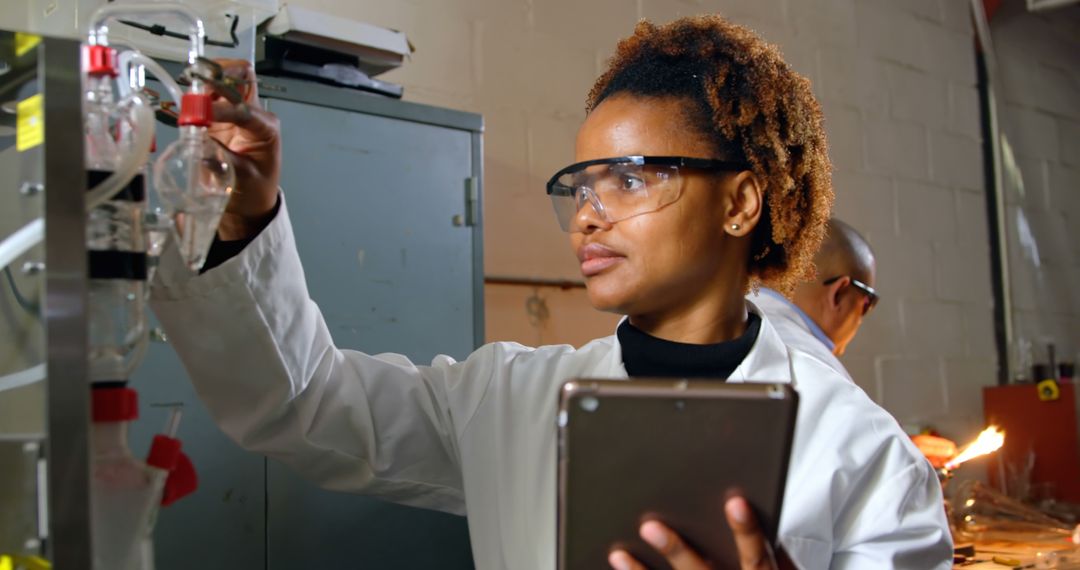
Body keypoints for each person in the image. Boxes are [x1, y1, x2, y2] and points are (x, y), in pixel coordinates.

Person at [151, 16, 952, 570]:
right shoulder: (512, 397)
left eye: (633, 178)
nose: (589, 214)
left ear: (741, 203)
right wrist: (247, 222)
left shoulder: (862, 454)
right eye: (581, 184)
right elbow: (303, 406)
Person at [748, 218, 878, 380]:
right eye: (867, 303)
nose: (861, 318)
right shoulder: (818, 368)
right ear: (838, 293)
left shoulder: (720, 330)